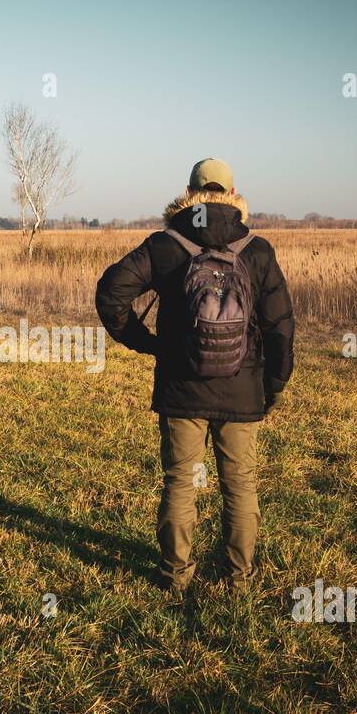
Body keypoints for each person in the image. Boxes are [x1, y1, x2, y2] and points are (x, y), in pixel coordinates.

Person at [95, 158, 295, 594]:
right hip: (243, 391)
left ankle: (174, 576)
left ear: (188, 192)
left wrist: (144, 342)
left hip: (181, 386)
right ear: (232, 192)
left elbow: (111, 292)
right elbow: (281, 326)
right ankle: (240, 579)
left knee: (180, 481)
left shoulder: (166, 244)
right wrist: (273, 386)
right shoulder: (257, 249)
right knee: (240, 484)